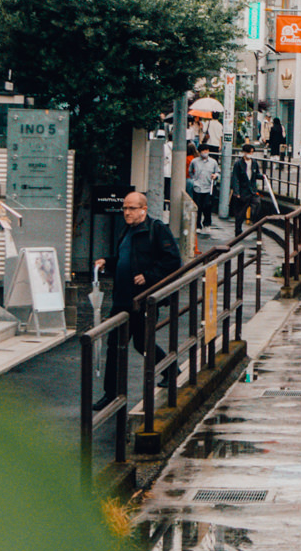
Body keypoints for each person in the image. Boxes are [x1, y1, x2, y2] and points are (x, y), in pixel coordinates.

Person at [94, 191, 181, 403]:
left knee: (136, 343)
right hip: (122, 298)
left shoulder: (156, 229)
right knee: (121, 345)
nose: (126, 212)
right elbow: (126, 260)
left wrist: (149, 276)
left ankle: (113, 392)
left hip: (141, 300)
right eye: (124, 208)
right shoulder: (127, 231)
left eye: (131, 208)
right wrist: (108, 261)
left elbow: (172, 260)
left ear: (144, 209)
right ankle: (113, 392)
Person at [231, 144, 266, 235]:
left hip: (252, 190)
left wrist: (262, 176)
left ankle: (256, 226)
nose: (250, 154)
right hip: (243, 191)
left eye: (252, 152)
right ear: (244, 152)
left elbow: (256, 174)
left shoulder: (254, 163)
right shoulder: (238, 164)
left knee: (257, 204)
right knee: (241, 212)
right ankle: (238, 230)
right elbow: (235, 178)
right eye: (249, 152)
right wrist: (236, 192)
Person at [188, 146, 221, 230]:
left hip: (208, 187)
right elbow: (190, 171)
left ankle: (207, 223)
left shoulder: (213, 162)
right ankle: (197, 225)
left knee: (207, 206)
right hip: (197, 187)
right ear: (199, 152)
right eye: (203, 151)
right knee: (198, 207)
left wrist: (215, 176)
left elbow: (217, 172)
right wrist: (194, 180)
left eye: (206, 150)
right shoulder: (194, 161)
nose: (205, 152)